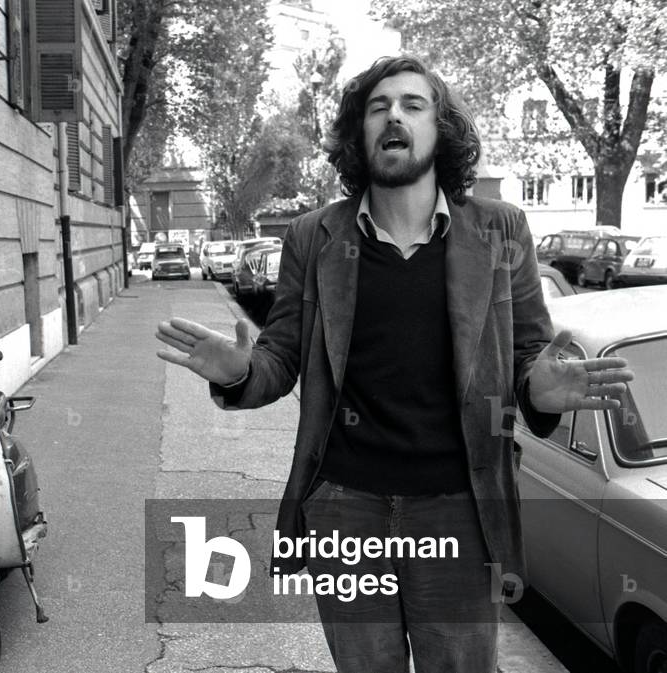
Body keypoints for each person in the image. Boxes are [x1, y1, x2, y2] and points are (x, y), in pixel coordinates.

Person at [155, 55, 633, 673]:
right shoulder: (313, 237)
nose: (394, 117)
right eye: (378, 108)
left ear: (441, 129)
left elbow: (525, 358)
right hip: (345, 508)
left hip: (460, 506)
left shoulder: (501, 228)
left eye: (413, 105)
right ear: (361, 133)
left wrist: (539, 389)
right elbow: (280, 359)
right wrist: (239, 374)